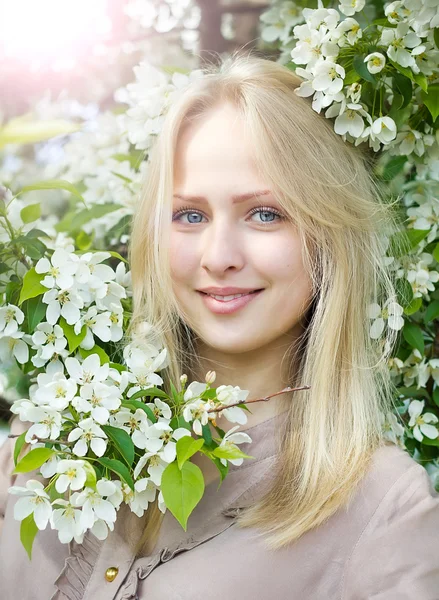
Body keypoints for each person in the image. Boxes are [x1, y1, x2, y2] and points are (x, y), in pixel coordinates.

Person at [1, 50, 439, 600]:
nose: (218, 256)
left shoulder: (384, 510)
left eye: (265, 214)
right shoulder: (45, 440)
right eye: (190, 215)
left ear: (329, 237)